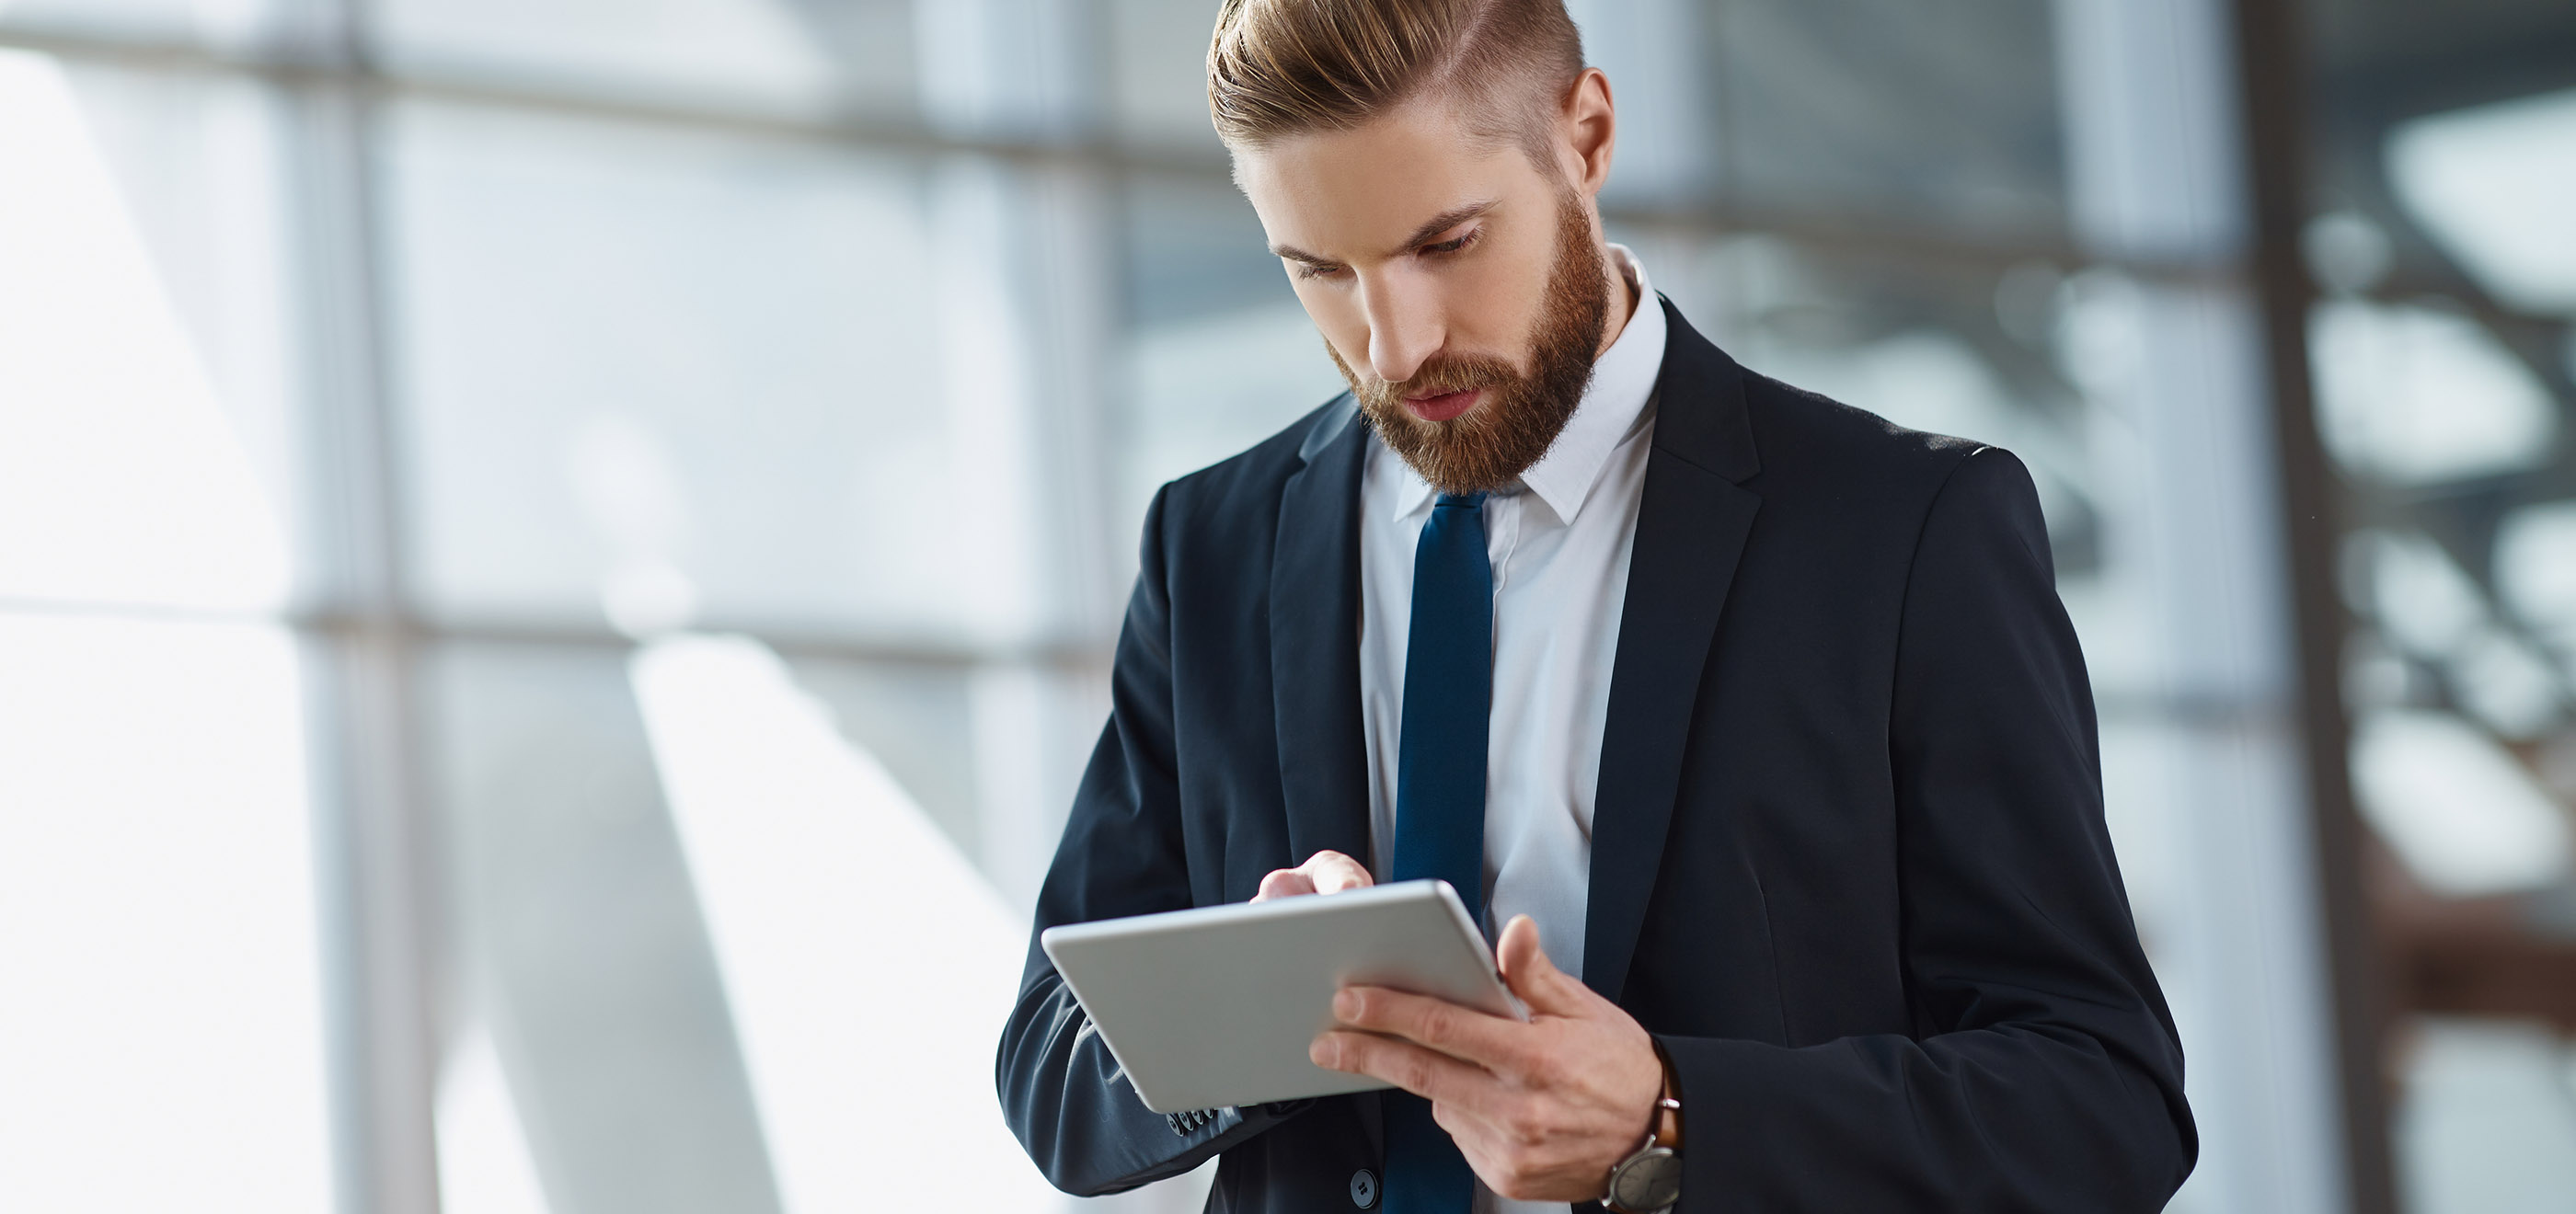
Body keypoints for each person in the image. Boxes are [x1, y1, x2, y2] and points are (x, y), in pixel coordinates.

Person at [996, 1, 2196, 1210]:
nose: (1397, 344)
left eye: (1446, 242)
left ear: (1587, 136)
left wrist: (1670, 1117)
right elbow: (1051, 1078)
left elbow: (2105, 1106)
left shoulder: (1902, 530)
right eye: (1321, 271)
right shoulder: (1215, 545)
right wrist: (1254, 1005)